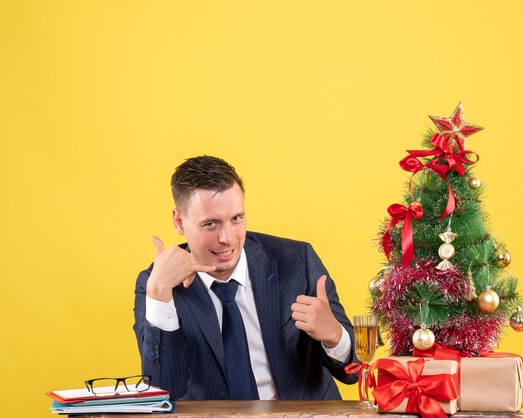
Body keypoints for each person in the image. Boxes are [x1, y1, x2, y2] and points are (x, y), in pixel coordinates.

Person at [133, 156, 358, 400]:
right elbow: (163, 392)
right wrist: (159, 294)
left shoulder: (297, 260)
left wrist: (335, 336)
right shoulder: (157, 285)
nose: (227, 238)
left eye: (236, 219)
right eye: (210, 224)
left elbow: (351, 372)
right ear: (179, 221)